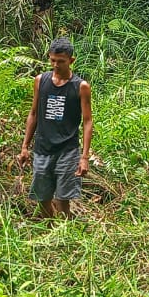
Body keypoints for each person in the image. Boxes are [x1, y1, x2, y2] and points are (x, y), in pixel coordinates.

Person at [17, 37, 94, 219]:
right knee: (42, 196)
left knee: (63, 198)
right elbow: (34, 113)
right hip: (43, 148)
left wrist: (84, 157)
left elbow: (88, 121)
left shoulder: (80, 86)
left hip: (67, 149)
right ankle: (49, 228)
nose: (56, 65)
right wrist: (24, 146)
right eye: (52, 60)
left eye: (61, 61)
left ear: (71, 61)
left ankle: (65, 234)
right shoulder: (40, 81)